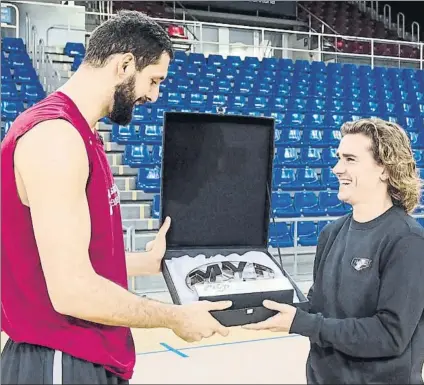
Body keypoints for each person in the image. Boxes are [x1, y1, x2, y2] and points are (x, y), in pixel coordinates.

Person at [1, 10, 231, 385]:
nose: (154, 96)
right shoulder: (55, 138)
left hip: (83, 355)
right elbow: (72, 292)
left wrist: (145, 263)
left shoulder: (82, 132)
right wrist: (174, 316)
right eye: (154, 80)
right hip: (59, 356)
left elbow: (71, 258)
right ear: (124, 64)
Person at [244, 118, 424, 384]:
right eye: (339, 158)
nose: (338, 168)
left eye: (350, 159)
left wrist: (303, 323)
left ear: (385, 169)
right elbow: (318, 306)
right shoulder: (331, 233)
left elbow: (390, 335)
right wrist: (248, 302)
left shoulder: (408, 241)